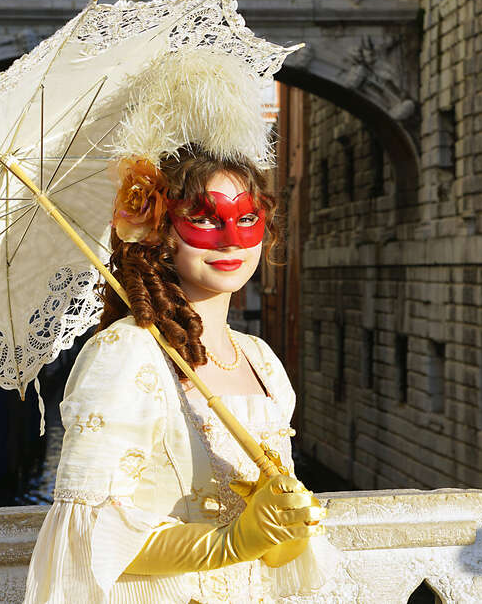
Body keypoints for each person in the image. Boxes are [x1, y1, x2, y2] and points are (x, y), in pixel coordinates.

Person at [23, 51, 341, 603]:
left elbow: (271, 545)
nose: (231, 240)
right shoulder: (128, 353)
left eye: (246, 218)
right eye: (203, 219)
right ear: (159, 231)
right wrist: (229, 542)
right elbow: (89, 537)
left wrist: (285, 524)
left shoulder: (261, 360)